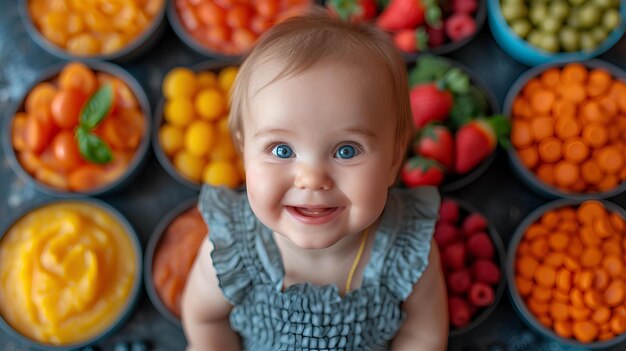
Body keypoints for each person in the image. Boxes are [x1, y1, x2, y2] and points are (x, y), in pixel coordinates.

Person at [181, 7, 448, 351]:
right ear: (243, 153)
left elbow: (423, 334)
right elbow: (205, 318)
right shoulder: (230, 249)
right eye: (281, 150)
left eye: (347, 151)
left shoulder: (409, 251)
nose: (311, 179)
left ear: (395, 159)